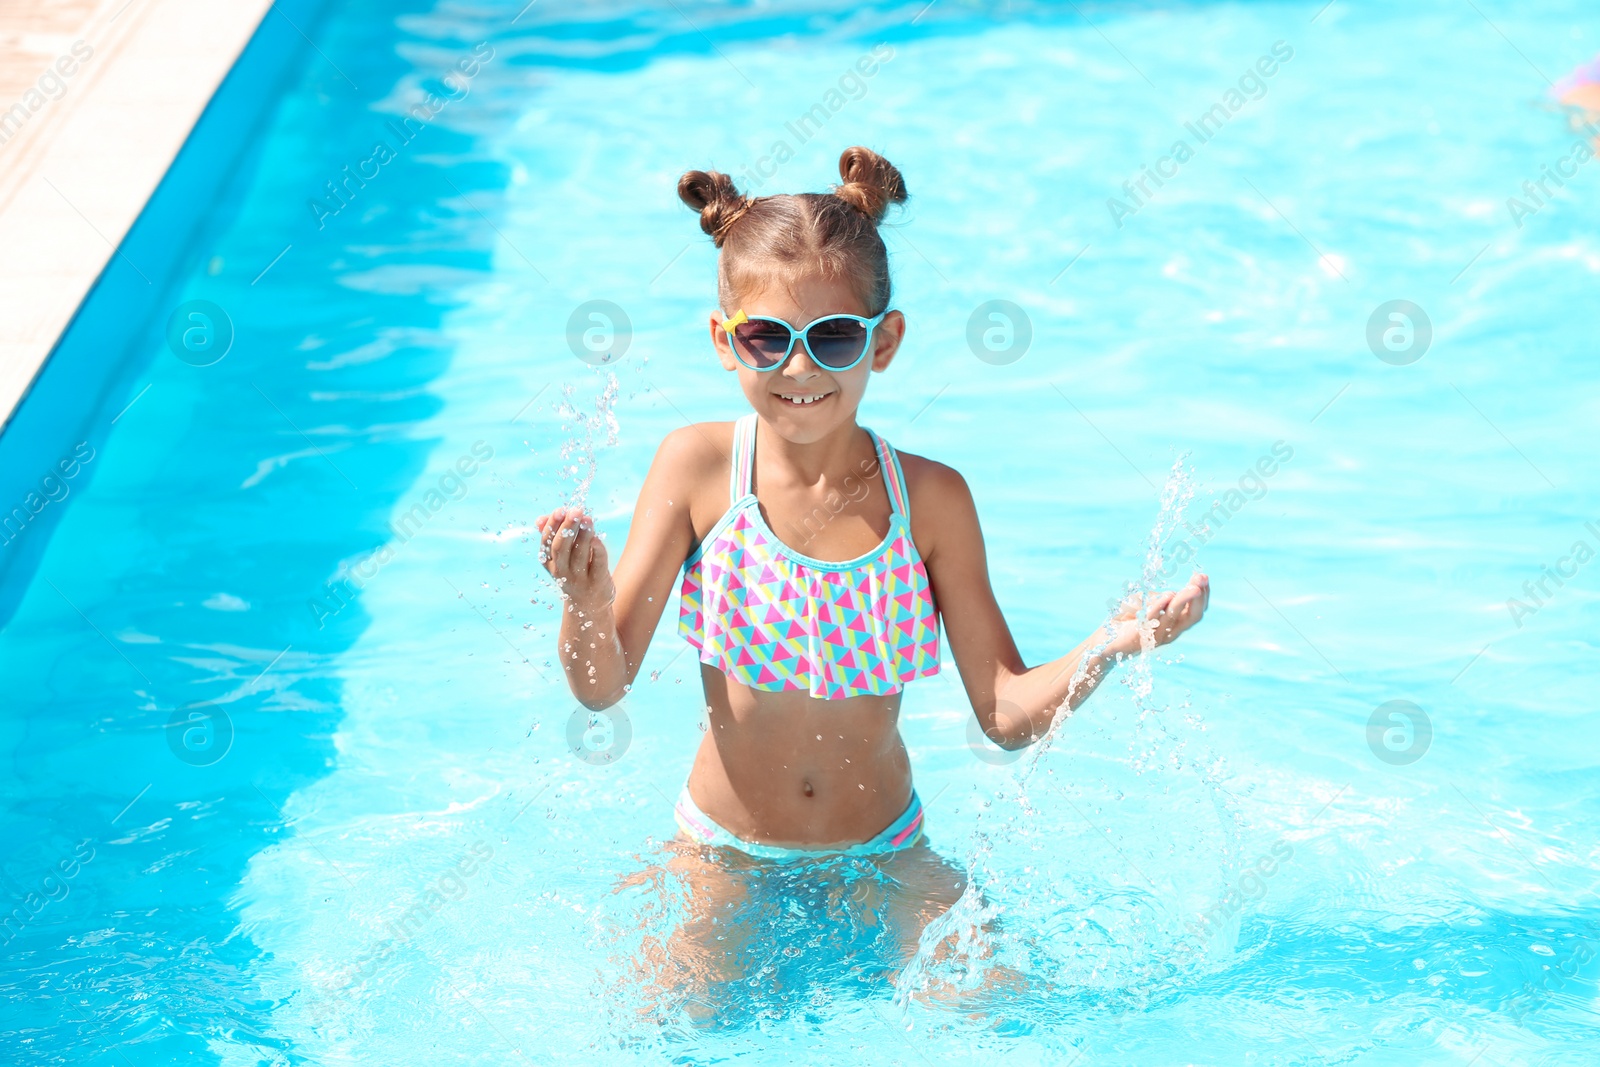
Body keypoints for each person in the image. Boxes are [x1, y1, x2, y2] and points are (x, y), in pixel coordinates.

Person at [535, 145, 1209, 1001]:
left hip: (886, 849)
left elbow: (1002, 713)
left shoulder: (930, 500)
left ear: (883, 341)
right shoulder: (699, 470)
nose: (800, 368)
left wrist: (1112, 643)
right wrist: (586, 601)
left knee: (987, 1006)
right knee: (666, 1019)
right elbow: (600, 686)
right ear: (723, 339)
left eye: (835, 336)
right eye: (766, 337)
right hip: (724, 850)